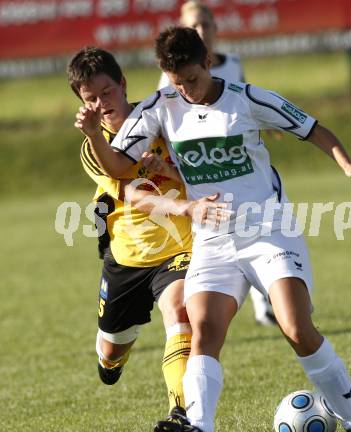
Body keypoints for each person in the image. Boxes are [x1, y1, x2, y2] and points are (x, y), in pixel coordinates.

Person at [78, 27, 351, 432]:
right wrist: (95, 134)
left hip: (267, 230)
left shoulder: (247, 99)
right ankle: (199, 425)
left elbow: (311, 128)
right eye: (176, 81)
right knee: (203, 330)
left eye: (192, 79)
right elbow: (116, 168)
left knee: (296, 327)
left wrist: (346, 163)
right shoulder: (159, 106)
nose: (186, 90)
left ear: (208, 62)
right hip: (213, 238)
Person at [67, 46, 229, 431]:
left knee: (181, 312)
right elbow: (133, 195)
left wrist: (172, 171)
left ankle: (183, 412)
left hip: (181, 246)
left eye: (107, 92)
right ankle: (113, 357)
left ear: (122, 84)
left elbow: (193, 172)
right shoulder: (95, 150)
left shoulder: (161, 117)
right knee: (110, 349)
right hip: (128, 255)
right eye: (90, 99)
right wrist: (183, 205)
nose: (102, 103)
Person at [159, 0, 276, 327]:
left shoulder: (232, 62)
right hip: (199, 167)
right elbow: (164, 120)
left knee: (260, 215)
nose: (201, 31)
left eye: (205, 25)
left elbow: (241, 101)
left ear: (215, 28)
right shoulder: (171, 76)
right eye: (192, 26)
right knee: (222, 228)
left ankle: (267, 298)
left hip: (236, 159)